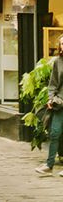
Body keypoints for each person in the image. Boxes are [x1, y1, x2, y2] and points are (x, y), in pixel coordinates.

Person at [35, 32, 63, 176]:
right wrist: (51, 98)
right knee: (54, 132)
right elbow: (53, 84)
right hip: (60, 104)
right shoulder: (58, 62)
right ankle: (49, 165)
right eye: (62, 43)